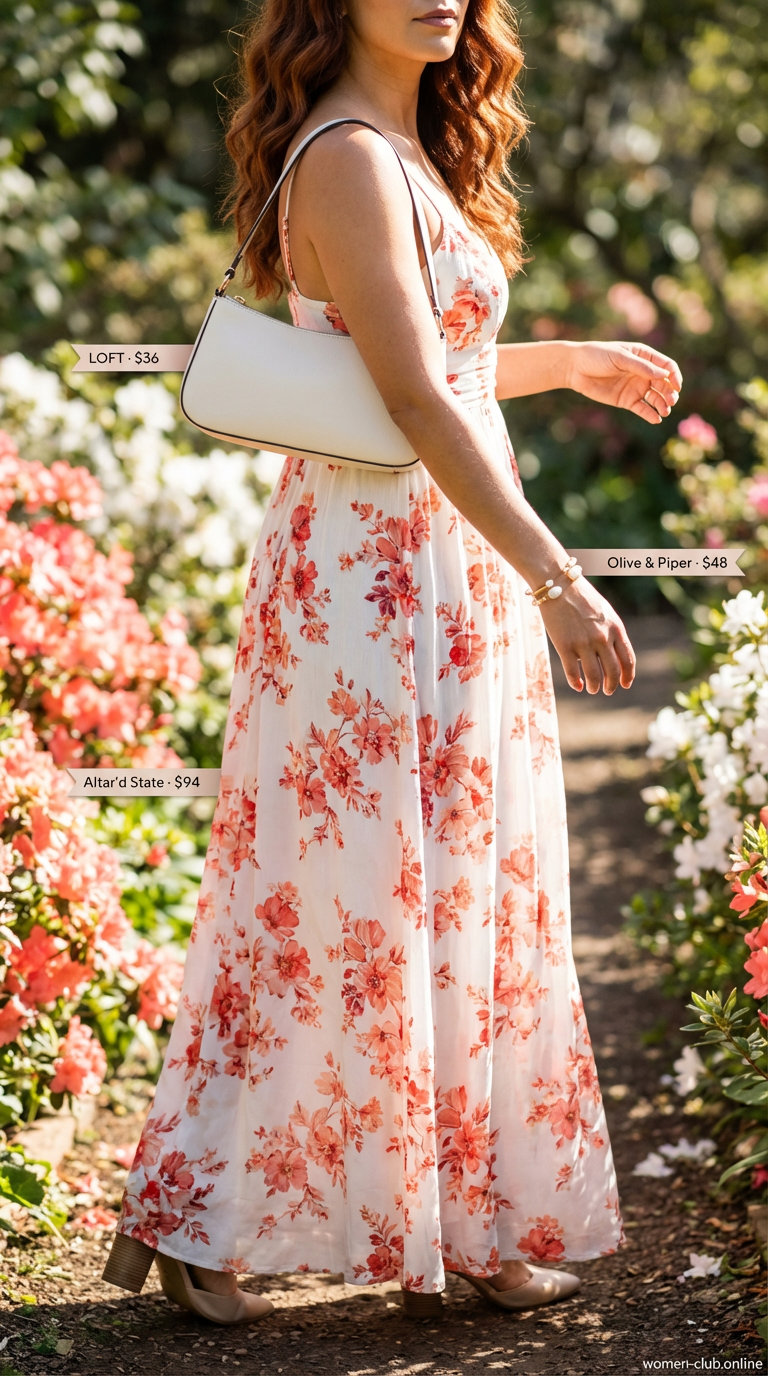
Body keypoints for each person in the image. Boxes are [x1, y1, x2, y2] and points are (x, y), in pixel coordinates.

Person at [101, 0, 682, 1325]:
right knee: (334, 901)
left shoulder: (409, 147)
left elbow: (431, 364)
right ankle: (202, 1219)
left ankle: (466, 1218)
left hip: (436, 569)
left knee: (458, 888)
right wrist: (562, 577)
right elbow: (413, 399)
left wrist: (573, 364)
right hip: (372, 589)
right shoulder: (351, 154)